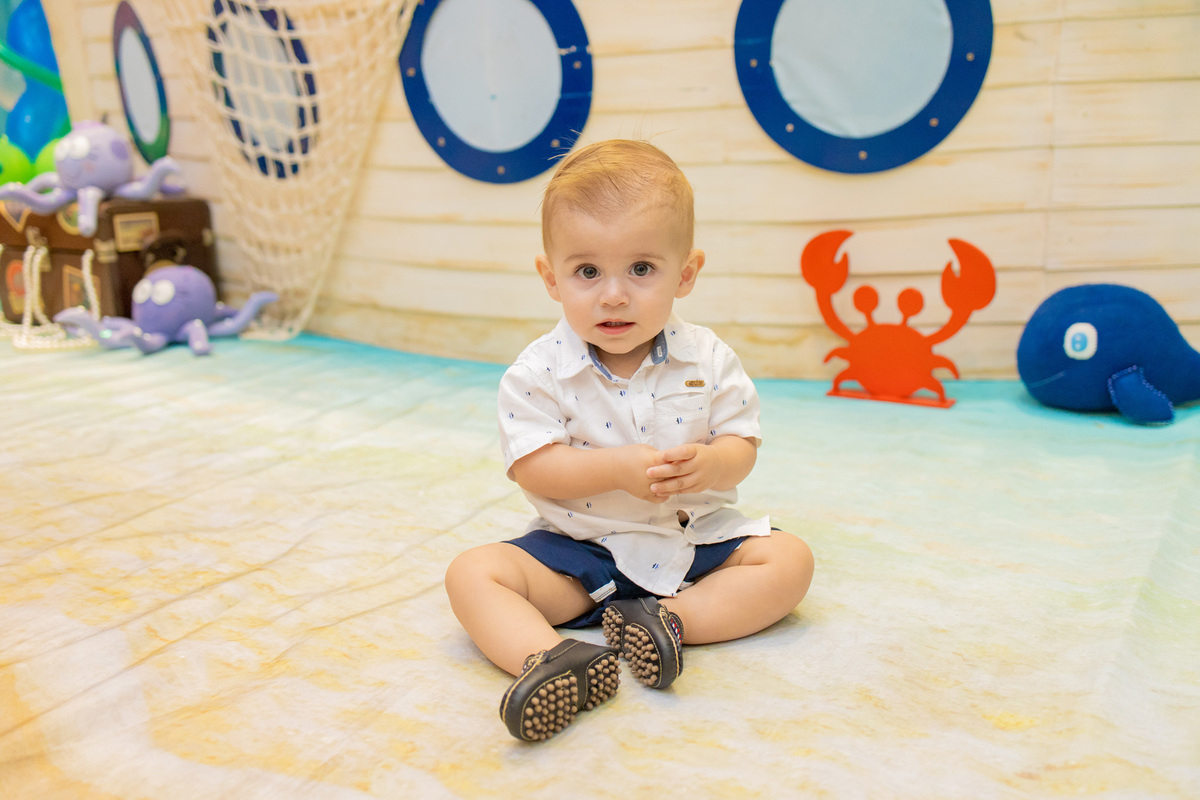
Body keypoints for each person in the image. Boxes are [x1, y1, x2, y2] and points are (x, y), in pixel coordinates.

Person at [444, 139, 814, 742]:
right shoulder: (537, 373)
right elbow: (535, 469)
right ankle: (554, 658)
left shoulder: (709, 358)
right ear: (551, 277)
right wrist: (614, 470)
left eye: (641, 269)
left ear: (686, 273)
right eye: (587, 271)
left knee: (790, 561)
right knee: (473, 573)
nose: (613, 294)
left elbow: (742, 444)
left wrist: (713, 463)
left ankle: (665, 622)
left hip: (691, 542)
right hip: (581, 554)